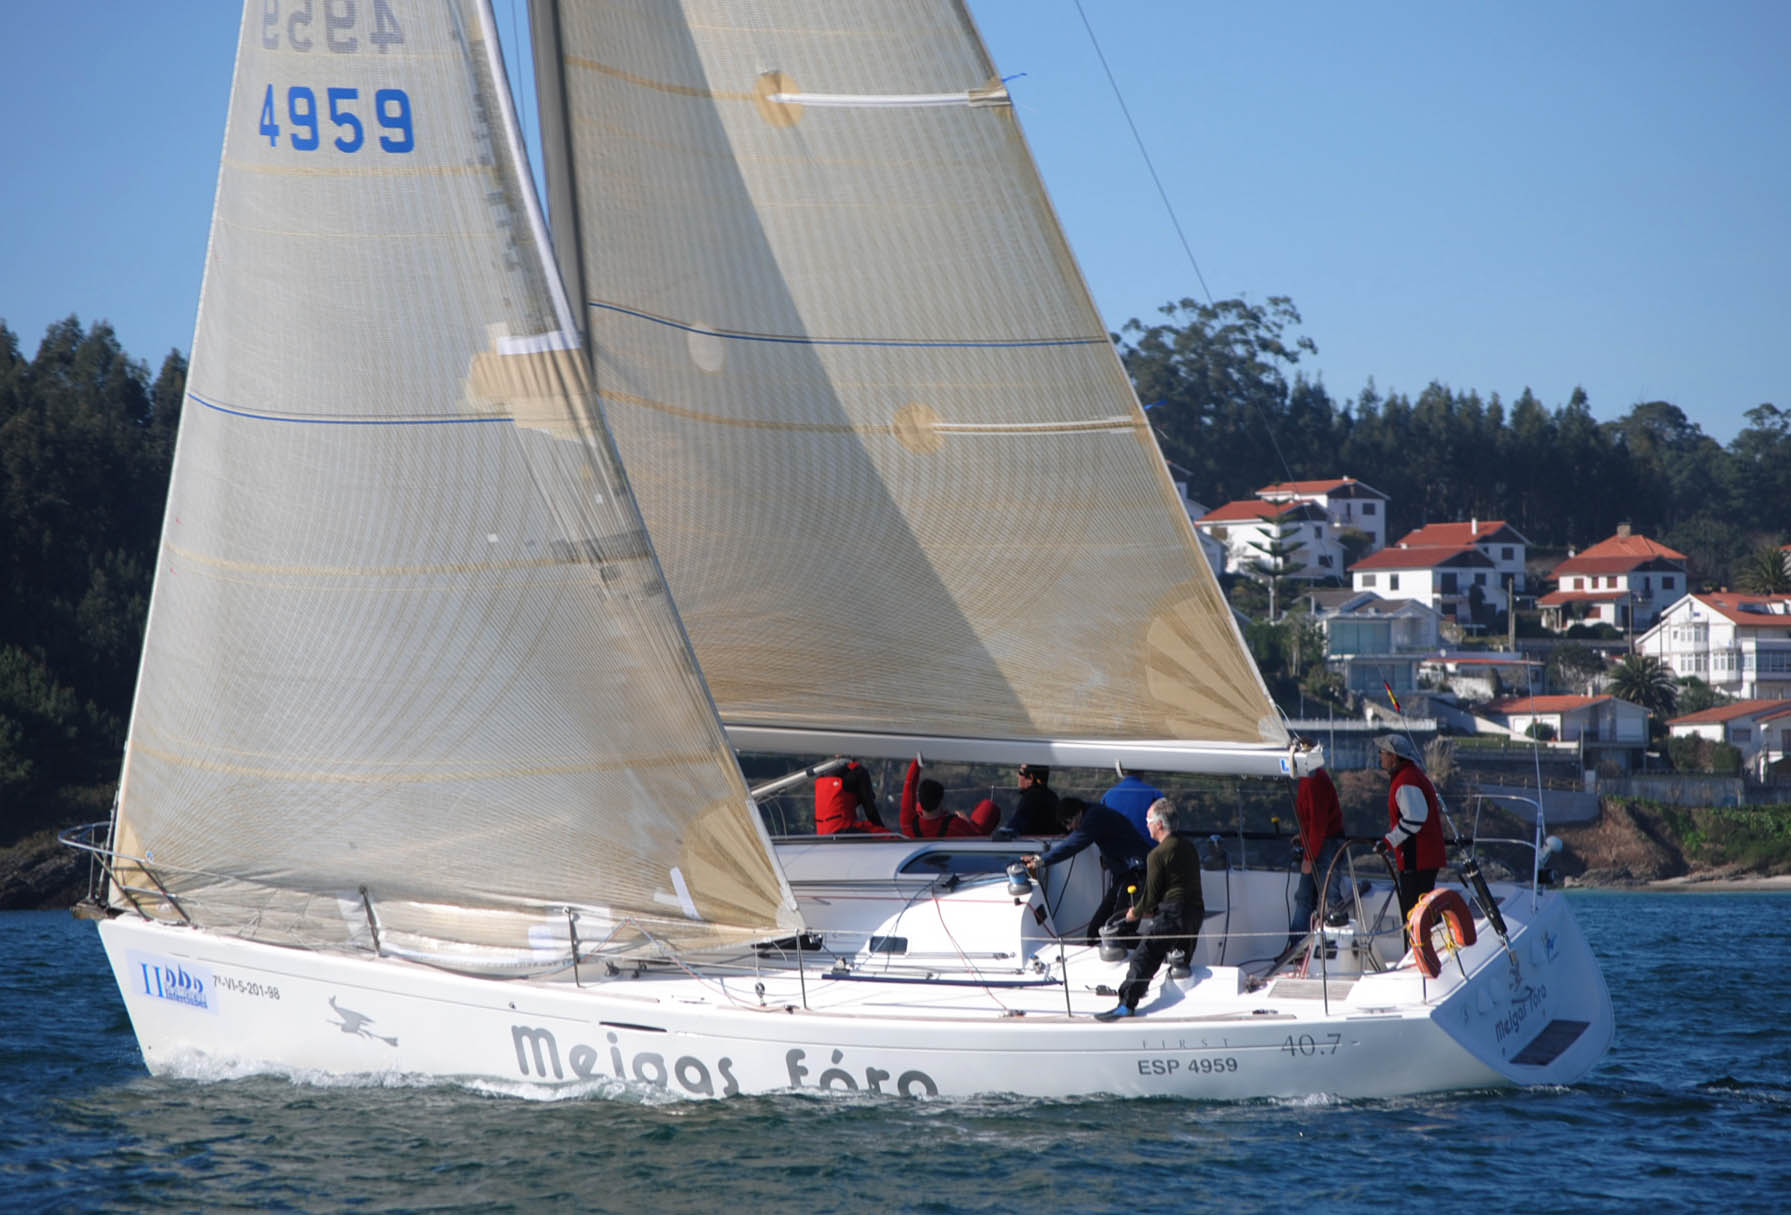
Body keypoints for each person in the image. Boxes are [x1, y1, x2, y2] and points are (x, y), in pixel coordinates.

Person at [1096, 798, 1205, 1020]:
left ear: (1159, 824)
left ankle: (1126, 1005)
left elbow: (1151, 896)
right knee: (1179, 960)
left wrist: (1134, 912)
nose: (1146, 825)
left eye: (1148, 820)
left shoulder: (1157, 854)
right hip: (1194, 913)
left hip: (1173, 915)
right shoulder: (1188, 846)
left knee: (1143, 958)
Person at [1022, 797, 1150, 941]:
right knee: (1095, 932)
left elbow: (1075, 842)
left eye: (1068, 823)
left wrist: (1042, 860)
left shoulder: (1094, 817)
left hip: (1136, 873)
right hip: (1124, 875)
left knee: (1122, 931)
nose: (1069, 828)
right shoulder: (1094, 813)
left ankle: (1151, 951)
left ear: (1077, 813)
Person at [1373, 734, 1446, 921]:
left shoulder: (1406, 780)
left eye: (1383, 753)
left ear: (1394, 757)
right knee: (1419, 911)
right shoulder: (1410, 776)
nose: (1380, 756)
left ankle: (1422, 949)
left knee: (1415, 913)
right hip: (1421, 857)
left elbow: (1414, 819)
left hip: (1417, 858)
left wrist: (1388, 842)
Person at [1287, 758, 1348, 952]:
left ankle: (1329, 948)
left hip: (1325, 844)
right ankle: (1299, 947)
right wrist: (1304, 837)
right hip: (1321, 842)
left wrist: (1308, 858)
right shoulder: (1312, 779)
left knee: (1326, 898)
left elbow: (1318, 824)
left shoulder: (1314, 781)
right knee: (1308, 897)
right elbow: (1314, 821)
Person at [899, 757, 992, 838]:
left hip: (921, 857)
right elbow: (977, 839)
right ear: (941, 802)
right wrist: (967, 822)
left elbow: (909, 785)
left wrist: (917, 760)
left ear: (920, 798)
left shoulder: (909, 825)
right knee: (989, 808)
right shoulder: (956, 826)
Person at [813, 760, 889, 835]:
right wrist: (883, 831)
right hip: (844, 832)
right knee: (891, 837)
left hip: (822, 834)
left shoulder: (821, 775)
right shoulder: (859, 772)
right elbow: (870, 810)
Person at [1101, 770, 1164, 839]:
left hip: (1115, 846)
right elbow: (1165, 823)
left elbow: (1101, 826)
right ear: (1142, 771)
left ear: (1122, 772)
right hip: (1149, 847)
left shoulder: (1108, 796)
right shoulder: (1155, 794)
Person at [1010, 763, 1060, 835]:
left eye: (1020, 773)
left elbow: (1014, 826)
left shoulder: (1031, 798)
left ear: (1030, 778)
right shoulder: (1052, 796)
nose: (1017, 775)